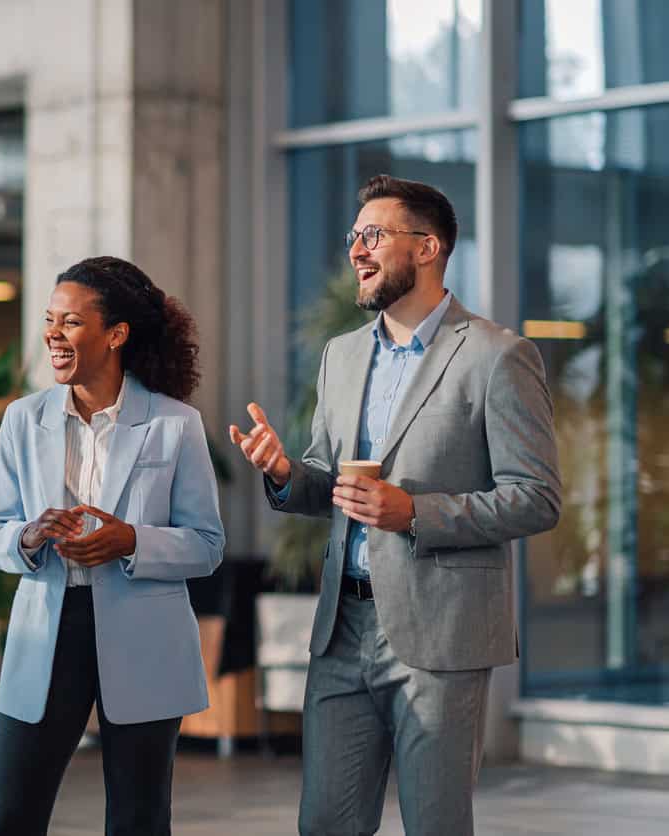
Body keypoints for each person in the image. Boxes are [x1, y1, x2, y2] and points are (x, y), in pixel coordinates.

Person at [230, 175, 561, 836]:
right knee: (325, 823)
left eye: (374, 234)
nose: (357, 248)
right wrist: (285, 473)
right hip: (342, 627)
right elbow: (330, 480)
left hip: (441, 633)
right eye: (354, 236)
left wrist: (413, 512)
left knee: (435, 825)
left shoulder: (497, 357)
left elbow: (536, 498)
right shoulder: (343, 356)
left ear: (429, 246)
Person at [0, 256, 225, 836]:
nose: (53, 335)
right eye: (49, 319)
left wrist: (131, 540)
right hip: (47, 632)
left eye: (70, 322)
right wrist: (30, 536)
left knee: (139, 821)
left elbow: (207, 545)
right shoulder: (22, 420)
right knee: (7, 818)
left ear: (115, 335)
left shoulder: (176, 424)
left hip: (145, 635)